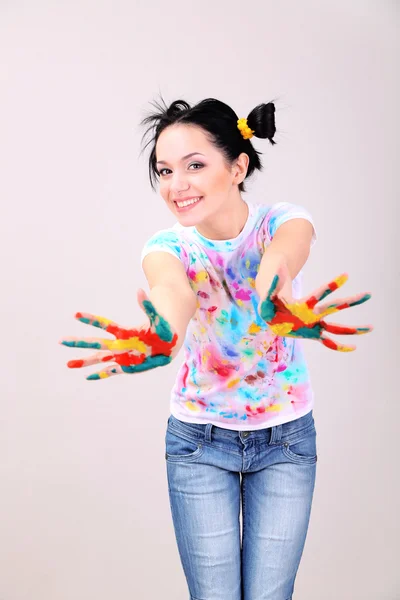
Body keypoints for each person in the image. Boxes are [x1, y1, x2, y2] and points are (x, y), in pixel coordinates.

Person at [60, 97, 373, 599]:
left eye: (195, 165)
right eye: (165, 170)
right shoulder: (170, 246)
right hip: (198, 444)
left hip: (286, 443)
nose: (176, 184)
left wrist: (274, 295)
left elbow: (282, 256)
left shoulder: (282, 221)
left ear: (238, 166)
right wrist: (163, 332)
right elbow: (174, 293)